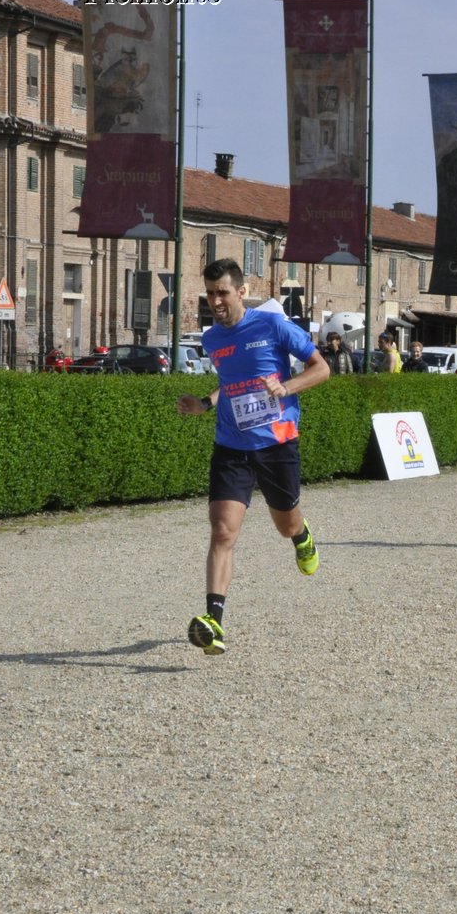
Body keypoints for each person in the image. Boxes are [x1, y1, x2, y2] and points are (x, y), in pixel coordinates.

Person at [176, 258, 330, 656]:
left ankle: (302, 536)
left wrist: (287, 387)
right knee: (223, 531)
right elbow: (229, 385)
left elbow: (322, 368)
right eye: (210, 293)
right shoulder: (212, 340)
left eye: (223, 292)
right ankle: (214, 621)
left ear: (242, 292)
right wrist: (205, 405)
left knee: (285, 524)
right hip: (231, 445)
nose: (216, 301)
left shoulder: (273, 325)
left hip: (277, 443)